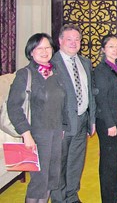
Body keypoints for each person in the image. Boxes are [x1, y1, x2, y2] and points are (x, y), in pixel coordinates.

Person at [7, 33, 68, 203]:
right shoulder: (25, 74)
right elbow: (14, 106)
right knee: (38, 182)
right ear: (31, 52)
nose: (44, 51)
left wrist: (63, 126)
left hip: (55, 134)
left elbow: (62, 102)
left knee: (51, 178)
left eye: (47, 47)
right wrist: (26, 134)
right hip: (36, 136)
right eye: (39, 48)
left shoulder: (56, 73)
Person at [50, 24, 96, 203]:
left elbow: (90, 92)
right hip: (62, 124)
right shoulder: (51, 65)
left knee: (76, 161)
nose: (73, 43)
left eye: (77, 39)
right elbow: (49, 100)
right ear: (60, 41)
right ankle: (59, 199)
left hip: (82, 120)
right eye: (69, 39)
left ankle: (71, 195)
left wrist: (91, 119)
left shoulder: (84, 62)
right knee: (59, 164)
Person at [93, 35, 117, 202]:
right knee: (108, 161)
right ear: (103, 49)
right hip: (108, 120)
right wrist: (110, 123)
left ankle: (114, 191)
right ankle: (108, 198)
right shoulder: (101, 70)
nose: (115, 49)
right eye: (111, 46)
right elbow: (101, 100)